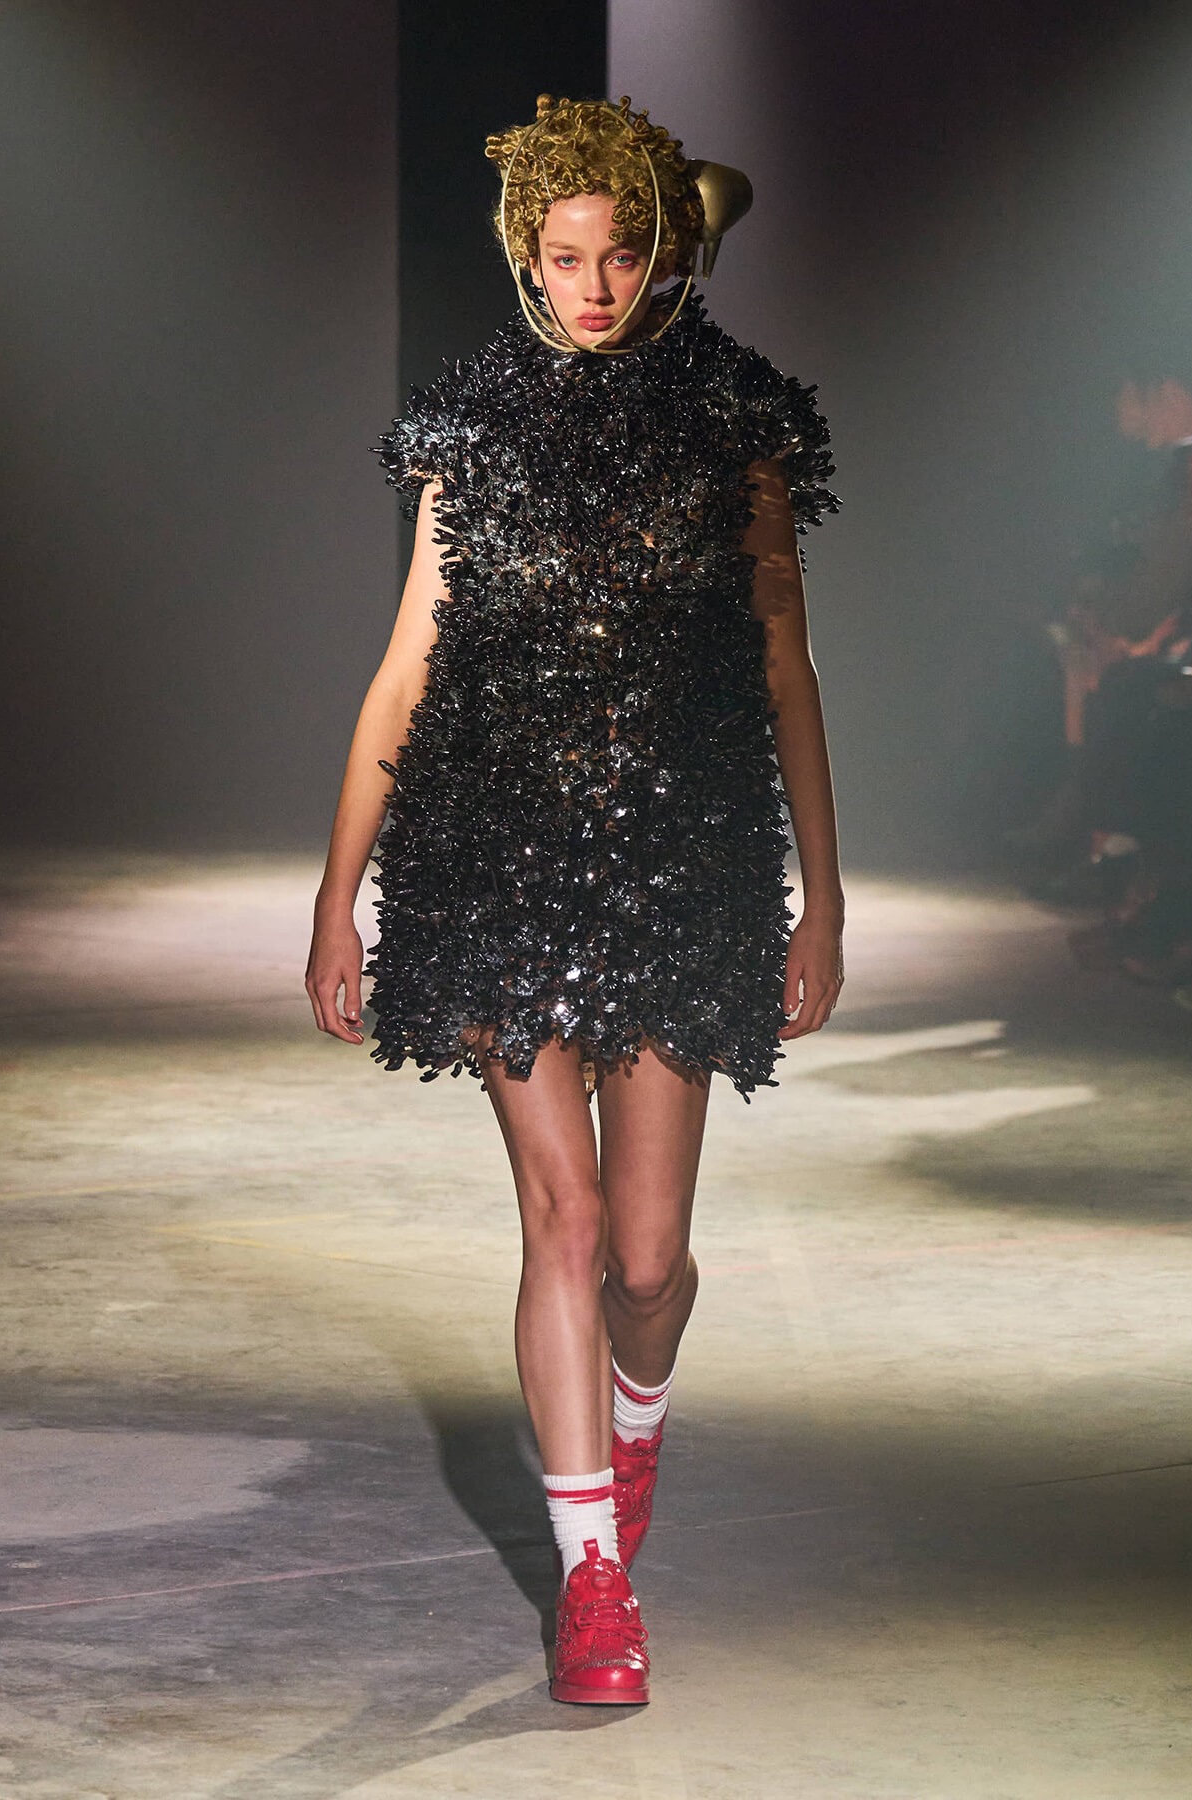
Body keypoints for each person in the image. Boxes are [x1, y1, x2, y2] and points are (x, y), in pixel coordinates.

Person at [305, 94, 844, 1707]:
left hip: (679, 861)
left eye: (619, 254)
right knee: (568, 1216)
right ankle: (593, 1574)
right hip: (490, 859)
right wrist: (340, 894)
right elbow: (407, 671)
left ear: (664, 249)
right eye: (564, 255)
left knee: (653, 1260)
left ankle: (634, 1425)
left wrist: (823, 897)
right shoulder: (466, 428)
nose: (592, 286)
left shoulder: (738, 426)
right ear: (525, 255)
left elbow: (782, 670)